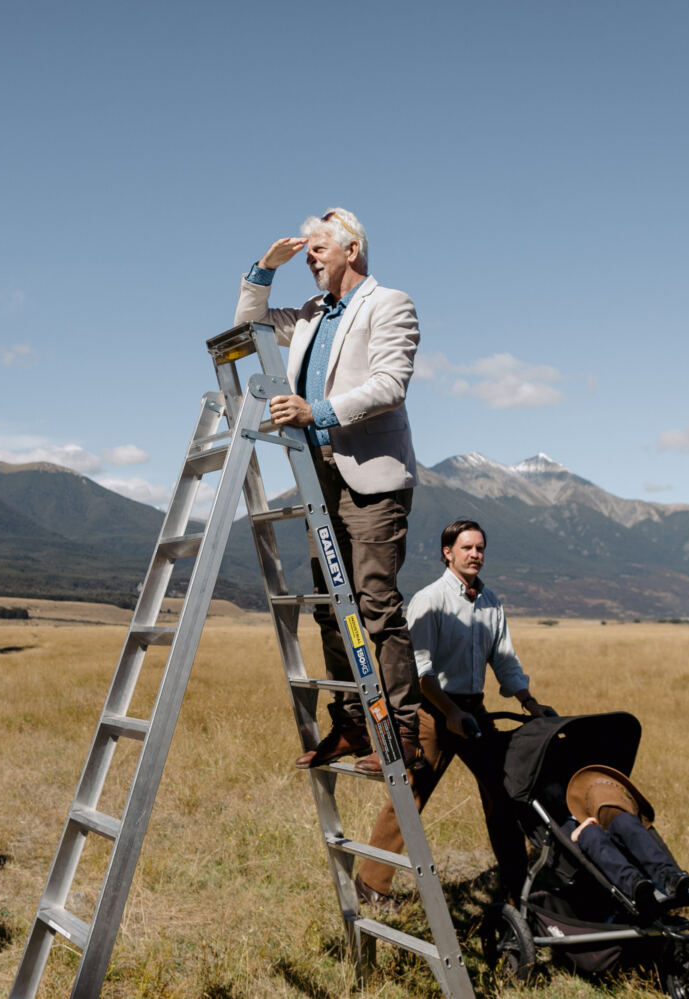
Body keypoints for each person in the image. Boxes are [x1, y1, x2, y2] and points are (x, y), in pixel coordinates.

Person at [235, 207, 422, 774]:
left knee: (374, 603)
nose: (310, 257)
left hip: (370, 475)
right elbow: (248, 330)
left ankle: (406, 735)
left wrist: (313, 410)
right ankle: (351, 727)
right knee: (328, 604)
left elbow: (390, 385)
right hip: (316, 472)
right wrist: (264, 268)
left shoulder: (391, 303)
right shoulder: (312, 314)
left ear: (352, 250)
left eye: (320, 247)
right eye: (309, 248)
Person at [355, 520, 555, 907]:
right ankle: (371, 887)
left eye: (480, 548)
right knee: (410, 793)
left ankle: (517, 892)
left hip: (473, 710)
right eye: (467, 548)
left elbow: (505, 659)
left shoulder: (491, 601)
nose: (475, 554)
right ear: (447, 552)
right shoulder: (429, 600)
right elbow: (419, 668)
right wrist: (447, 711)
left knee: (504, 793)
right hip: (432, 710)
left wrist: (530, 703)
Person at [562, 764, 689, 914]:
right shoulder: (572, 824)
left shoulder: (622, 819)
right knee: (590, 833)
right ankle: (636, 885)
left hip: (624, 839)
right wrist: (578, 832)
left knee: (625, 821)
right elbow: (564, 839)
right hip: (600, 856)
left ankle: (670, 878)